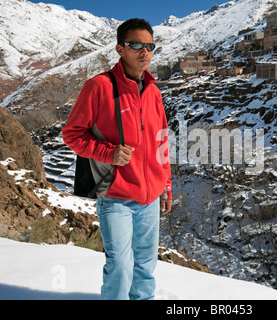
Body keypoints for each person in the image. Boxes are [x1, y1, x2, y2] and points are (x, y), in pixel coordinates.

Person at [62, 18, 172, 300]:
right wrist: (107, 152)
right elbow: (73, 134)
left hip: (150, 198)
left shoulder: (153, 91)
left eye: (149, 46)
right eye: (135, 45)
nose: (144, 51)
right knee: (121, 267)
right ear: (120, 49)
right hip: (116, 194)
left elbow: (161, 141)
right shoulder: (99, 87)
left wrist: (166, 185)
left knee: (145, 268)